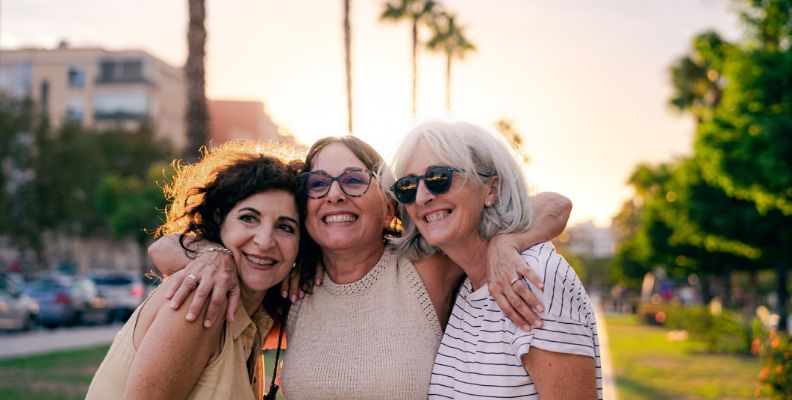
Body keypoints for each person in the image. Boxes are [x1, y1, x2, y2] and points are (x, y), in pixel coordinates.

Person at [150, 135, 572, 398]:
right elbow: (164, 249)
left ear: (389, 202)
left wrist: (506, 241)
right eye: (317, 184)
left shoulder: (427, 265)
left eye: (353, 180)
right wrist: (217, 257)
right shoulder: (290, 281)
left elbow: (555, 204)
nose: (334, 195)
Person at [387, 120, 601, 399]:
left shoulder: (532, 276)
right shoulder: (466, 286)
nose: (422, 196)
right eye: (407, 186)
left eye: (438, 178)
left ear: (490, 189)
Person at [86, 141, 303, 400]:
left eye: (286, 227)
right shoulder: (200, 297)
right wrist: (213, 254)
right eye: (248, 218)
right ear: (219, 220)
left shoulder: (255, 316)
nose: (265, 240)